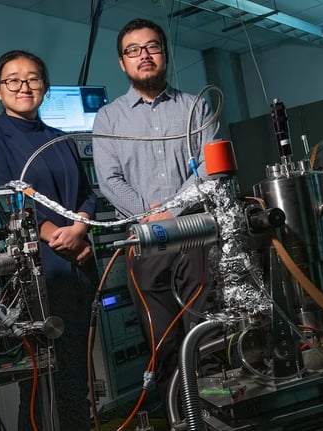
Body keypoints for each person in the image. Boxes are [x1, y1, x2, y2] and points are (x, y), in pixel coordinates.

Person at [91, 18, 219, 409]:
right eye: (133, 50)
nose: (143, 55)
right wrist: (150, 216)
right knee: (162, 345)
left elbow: (209, 167)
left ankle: (216, 416)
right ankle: (180, 418)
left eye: (152, 47)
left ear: (165, 53)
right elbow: (109, 180)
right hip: (145, 243)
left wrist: (172, 212)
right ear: (122, 62)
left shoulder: (195, 106)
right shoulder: (109, 118)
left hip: (196, 238)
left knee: (207, 335)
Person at [0, 50, 98, 431]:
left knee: (76, 377)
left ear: (44, 87)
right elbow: (0, 198)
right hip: (35, 274)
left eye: (33, 78)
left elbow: (87, 194)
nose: (24, 86)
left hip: (79, 265)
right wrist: (58, 236)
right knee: (40, 383)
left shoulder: (60, 139)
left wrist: (80, 230)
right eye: (13, 80)